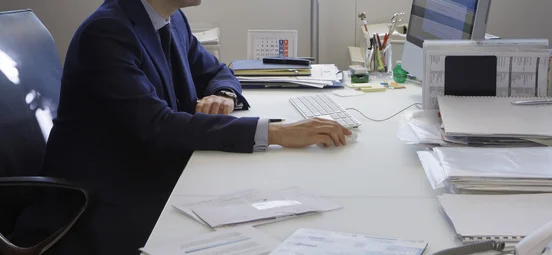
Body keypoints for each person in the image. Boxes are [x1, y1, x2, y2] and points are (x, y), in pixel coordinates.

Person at [12, 0, 351, 254]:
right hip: (106, 198)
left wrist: (223, 94)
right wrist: (275, 133)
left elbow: (218, 71)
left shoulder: (171, 21)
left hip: (154, 170)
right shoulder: (107, 32)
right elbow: (157, 125)